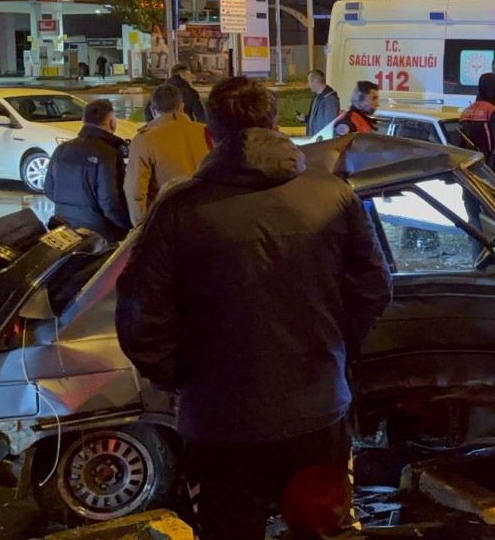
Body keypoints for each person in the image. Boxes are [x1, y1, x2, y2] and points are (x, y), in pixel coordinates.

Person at [115, 76, 391, 540]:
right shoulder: (332, 194)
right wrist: (333, 349)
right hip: (317, 410)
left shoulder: (179, 209)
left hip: (223, 423)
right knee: (324, 528)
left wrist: (184, 377)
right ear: (277, 125)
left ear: (209, 135)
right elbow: (373, 288)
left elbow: (141, 316)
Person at [45, 99, 131, 241]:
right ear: (112, 123)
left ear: (84, 120)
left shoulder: (61, 149)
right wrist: (127, 225)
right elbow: (109, 203)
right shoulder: (108, 153)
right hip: (98, 233)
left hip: (64, 229)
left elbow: (49, 190)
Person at [125, 83, 211, 225]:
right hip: (206, 217)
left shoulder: (144, 139)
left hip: (168, 222)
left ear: (153, 111)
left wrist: (140, 227)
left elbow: (136, 191)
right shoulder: (206, 132)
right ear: (182, 108)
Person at [460, 72, 495, 189]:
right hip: (489, 172)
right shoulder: (493, 111)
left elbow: (461, 146)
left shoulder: (466, 112)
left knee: (472, 205)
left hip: (468, 172)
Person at [297, 70, 340, 137]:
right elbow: (317, 119)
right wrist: (306, 118)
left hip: (322, 144)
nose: (308, 84)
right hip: (315, 141)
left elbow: (329, 126)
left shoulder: (330, 100)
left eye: (309, 81)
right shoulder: (317, 97)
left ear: (315, 81)